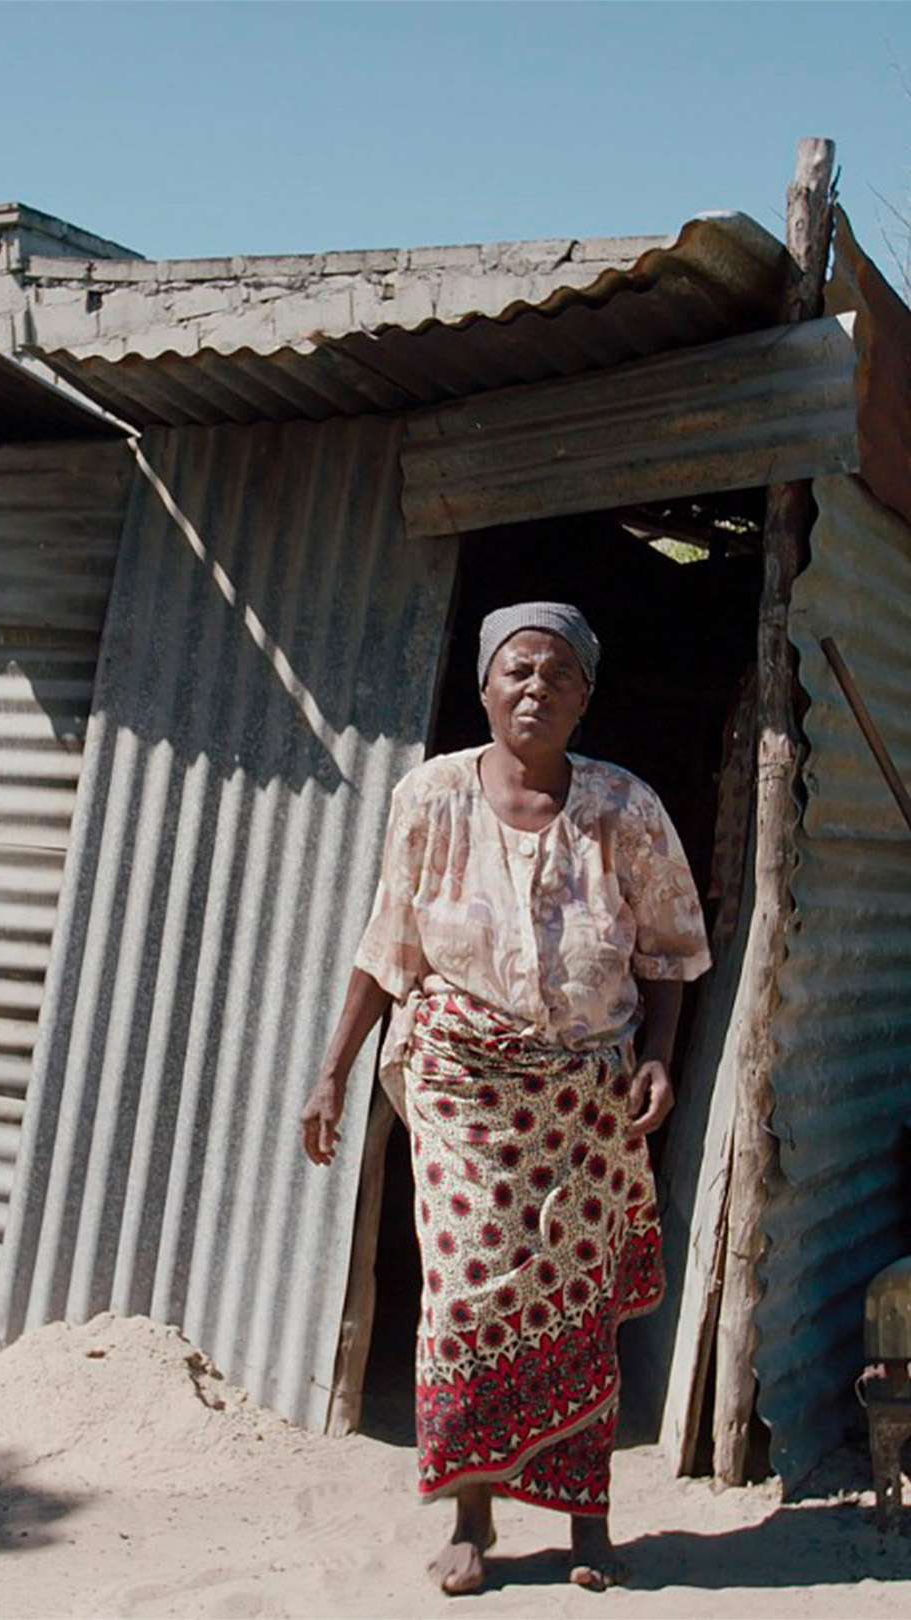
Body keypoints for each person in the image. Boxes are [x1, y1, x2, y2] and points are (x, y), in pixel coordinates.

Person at [301, 602, 711, 1595]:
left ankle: (587, 1525)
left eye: (558, 674)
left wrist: (659, 1056)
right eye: (517, 671)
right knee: (470, 1292)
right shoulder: (430, 797)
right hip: (458, 1079)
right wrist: (333, 1071)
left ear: (586, 695)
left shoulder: (625, 806)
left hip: (586, 1088)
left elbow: (668, 950)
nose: (536, 689)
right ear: (484, 686)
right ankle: (472, 1521)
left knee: (575, 1302)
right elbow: (387, 947)